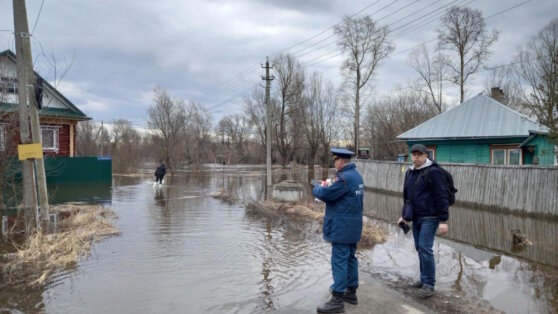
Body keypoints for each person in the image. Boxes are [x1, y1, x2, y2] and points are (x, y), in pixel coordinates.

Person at [313, 148, 364, 313]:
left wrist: (317, 187)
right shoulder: (357, 176)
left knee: (339, 260)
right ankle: (351, 293)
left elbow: (325, 194)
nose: (334, 163)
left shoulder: (343, 178)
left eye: (335, 160)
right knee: (350, 259)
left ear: (340, 160)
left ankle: (337, 300)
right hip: (353, 226)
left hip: (341, 227)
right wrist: (328, 186)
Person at [397, 144, 449, 298]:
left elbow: (442, 197)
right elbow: (408, 197)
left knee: (425, 248)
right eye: (414, 154)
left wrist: (443, 220)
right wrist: (404, 216)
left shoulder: (433, 172)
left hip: (431, 217)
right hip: (416, 217)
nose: (416, 157)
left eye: (419, 154)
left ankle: (429, 284)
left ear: (426, 155)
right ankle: (423, 279)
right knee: (420, 248)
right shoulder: (410, 172)